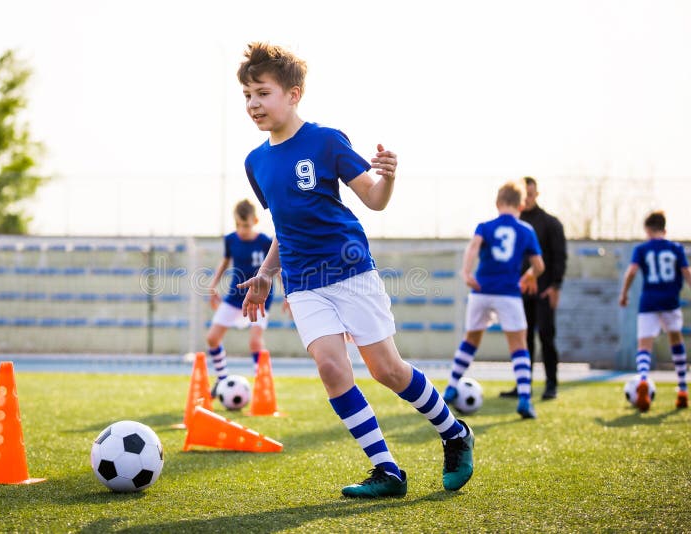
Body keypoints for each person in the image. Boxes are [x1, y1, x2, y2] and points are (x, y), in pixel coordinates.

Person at [235, 42, 474, 499]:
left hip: (349, 272)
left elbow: (374, 199)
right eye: (247, 95)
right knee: (330, 367)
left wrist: (390, 177)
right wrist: (267, 274)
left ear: (293, 94)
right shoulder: (256, 161)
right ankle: (387, 470)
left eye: (262, 93)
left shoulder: (326, 140)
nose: (253, 105)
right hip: (303, 282)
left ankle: (454, 432)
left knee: (386, 369)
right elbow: (285, 226)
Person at [442, 181, 545, 419]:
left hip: (481, 291)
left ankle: (450, 386)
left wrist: (466, 272)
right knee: (519, 346)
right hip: (509, 293)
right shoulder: (526, 230)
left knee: (471, 340)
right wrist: (528, 276)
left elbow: (473, 247)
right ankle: (525, 399)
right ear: (521, 205)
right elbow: (539, 266)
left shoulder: (485, 226)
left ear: (497, 203)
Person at [499, 177, 566, 400]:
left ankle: (551, 385)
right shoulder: (510, 223)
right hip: (518, 293)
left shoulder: (550, 223)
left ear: (536, 194)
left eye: (530, 194)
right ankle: (522, 386)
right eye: (523, 194)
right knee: (522, 340)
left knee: (547, 337)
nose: (527, 198)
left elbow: (559, 257)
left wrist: (555, 286)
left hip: (544, 291)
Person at [618, 211, 690, 411]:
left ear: (647, 230)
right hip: (670, 301)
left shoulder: (642, 248)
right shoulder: (676, 248)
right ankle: (683, 388)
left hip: (649, 301)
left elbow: (631, 271)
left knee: (644, 345)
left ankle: (642, 378)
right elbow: (686, 273)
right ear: (664, 229)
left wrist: (624, 294)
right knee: (676, 340)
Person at [206, 199, 274, 394]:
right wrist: (213, 285)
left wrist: (287, 293)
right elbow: (225, 262)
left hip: (259, 297)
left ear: (255, 221)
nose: (241, 229)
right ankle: (222, 380)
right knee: (212, 338)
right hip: (235, 295)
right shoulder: (231, 239)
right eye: (237, 225)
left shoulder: (264, 242)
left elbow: (275, 269)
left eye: (245, 225)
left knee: (254, 341)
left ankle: (262, 387)